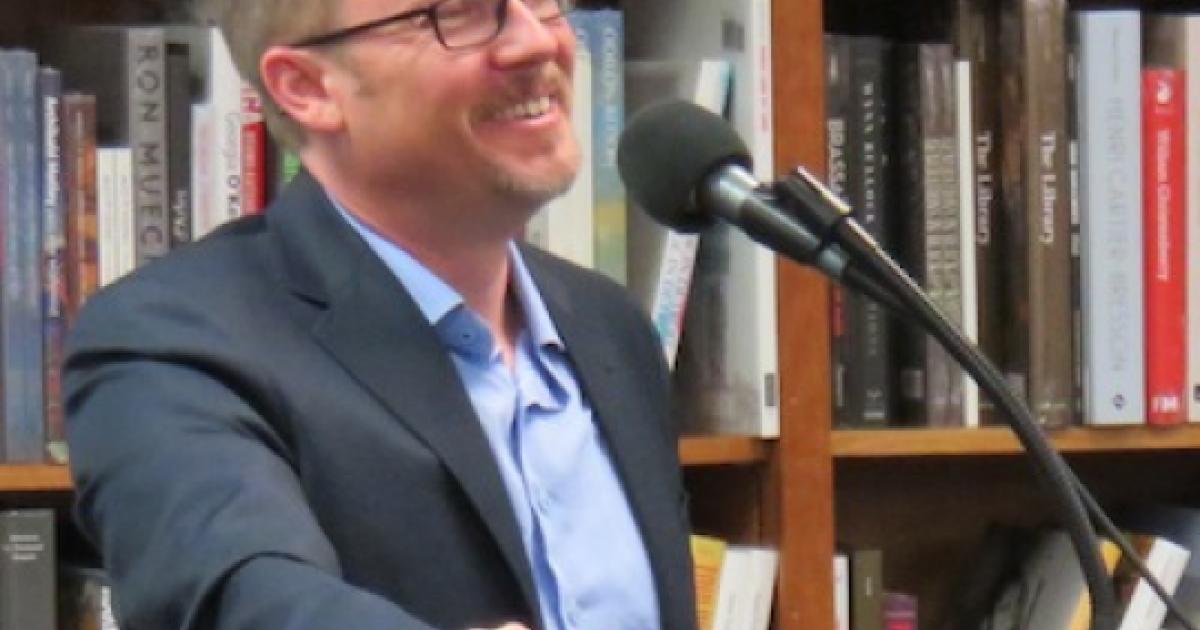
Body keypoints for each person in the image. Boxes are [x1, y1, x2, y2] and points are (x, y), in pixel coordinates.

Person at [62, 0, 696, 628]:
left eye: (540, 0)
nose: (537, 42)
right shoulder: (171, 341)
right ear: (307, 87)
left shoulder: (609, 327)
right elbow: (241, 595)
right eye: (461, 13)